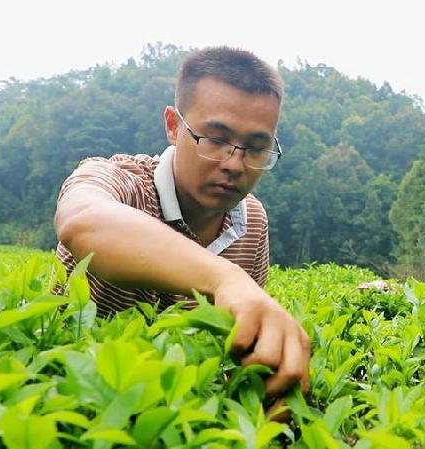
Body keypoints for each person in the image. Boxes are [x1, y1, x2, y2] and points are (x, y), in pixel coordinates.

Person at [54, 46, 309, 399]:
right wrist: (223, 278)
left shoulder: (252, 222)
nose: (235, 164)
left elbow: (236, 344)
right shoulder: (121, 181)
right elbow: (82, 221)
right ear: (174, 126)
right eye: (217, 139)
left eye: (255, 148)